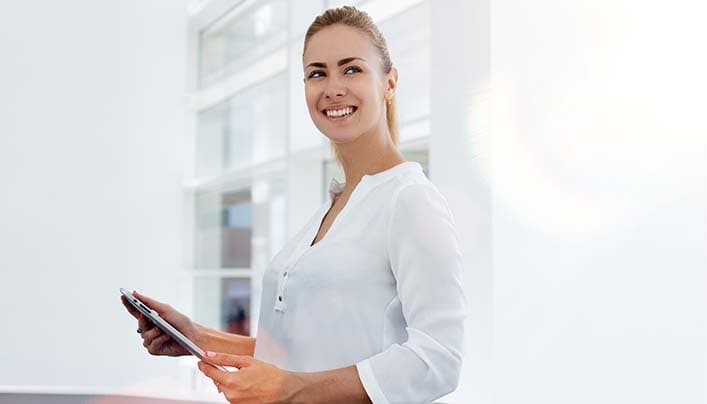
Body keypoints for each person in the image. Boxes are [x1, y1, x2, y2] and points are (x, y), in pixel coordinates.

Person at [121, 6, 466, 403]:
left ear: (390, 82)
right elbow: (299, 355)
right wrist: (196, 336)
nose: (333, 87)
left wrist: (288, 389)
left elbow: (438, 358)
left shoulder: (410, 200)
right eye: (317, 73)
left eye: (352, 69)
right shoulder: (334, 207)